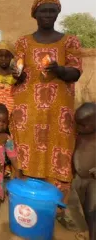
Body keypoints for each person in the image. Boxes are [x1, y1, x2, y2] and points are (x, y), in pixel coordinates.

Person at [10, 0, 82, 224]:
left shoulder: (69, 42)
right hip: (28, 113)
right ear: (35, 15)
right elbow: (18, 72)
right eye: (43, 11)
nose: (48, 15)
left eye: (52, 11)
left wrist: (58, 69)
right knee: (26, 151)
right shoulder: (23, 42)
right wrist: (15, 73)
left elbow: (75, 72)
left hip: (58, 114)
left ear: (58, 13)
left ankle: (57, 209)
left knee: (58, 154)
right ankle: (26, 204)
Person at [72, 103, 96, 240]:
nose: (79, 128)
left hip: (93, 180)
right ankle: (90, 232)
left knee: (91, 210)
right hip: (80, 179)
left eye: (83, 125)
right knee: (84, 209)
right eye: (78, 125)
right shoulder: (81, 134)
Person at [0, 40, 20, 113]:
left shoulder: (15, 73)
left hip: (11, 111)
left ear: (12, 57)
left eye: (7, 56)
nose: (3, 59)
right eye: (0, 56)